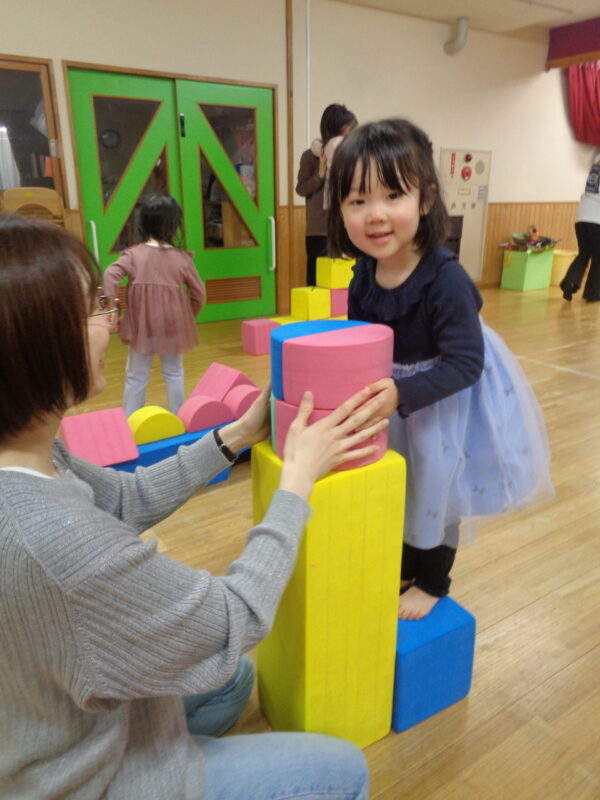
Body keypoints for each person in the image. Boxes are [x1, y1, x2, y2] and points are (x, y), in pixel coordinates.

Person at [0, 215, 387, 798]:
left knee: (232, 682)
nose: (112, 320)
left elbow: (123, 498)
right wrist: (296, 483)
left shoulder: (30, 453)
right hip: (83, 781)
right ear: (36, 342)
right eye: (96, 309)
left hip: (51, 714)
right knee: (347, 771)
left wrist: (235, 436)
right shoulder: (56, 543)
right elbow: (236, 617)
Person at [326, 118, 554, 621]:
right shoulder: (363, 273)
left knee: (437, 487)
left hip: (445, 398)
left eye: (393, 196)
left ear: (425, 199)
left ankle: (433, 580)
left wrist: (401, 393)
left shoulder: (444, 279)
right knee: (403, 483)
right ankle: (407, 564)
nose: (375, 214)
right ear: (339, 210)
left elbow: (467, 363)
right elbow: (360, 340)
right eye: (358, 200)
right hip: (397, 396)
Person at [103, 193, 206, 417]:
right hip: (173, 326)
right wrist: (187, 316)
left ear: (143, 223)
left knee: (136, 375)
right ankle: (179, 418)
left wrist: (112, 309)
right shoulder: (182, 259)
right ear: (174, 224)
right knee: (174, 373)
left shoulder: (133, 255)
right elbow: (199, 295)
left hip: (141, 327)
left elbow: (110, 275)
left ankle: (131, 421)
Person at [296, 103, 357, 285]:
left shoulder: (349, 156)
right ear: (341, 130)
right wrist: (320, 175)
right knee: (316, 284)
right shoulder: (310, 156)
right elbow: (301, 189)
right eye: (349, 131)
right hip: (319, 230)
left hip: (346, 228)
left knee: (346, 282)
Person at [559, 155, 600, 303]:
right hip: (597, 219)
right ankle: (593, 294)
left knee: (584, 253)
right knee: (598, 257)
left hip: (581, 217)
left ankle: (570, 282)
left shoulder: (596, 164)